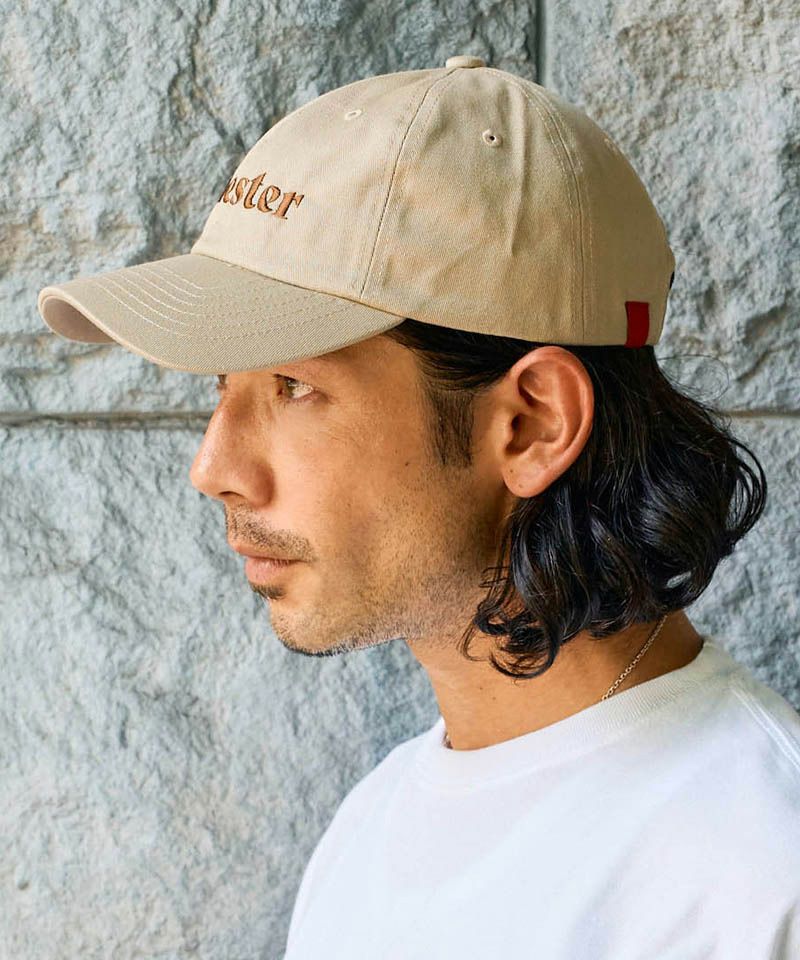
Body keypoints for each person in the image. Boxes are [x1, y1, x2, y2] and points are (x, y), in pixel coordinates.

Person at [37, 56, 800, 958]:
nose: (214, 467)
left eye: (293, 386)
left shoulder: (758, 876)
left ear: (533, 424)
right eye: (221, 386)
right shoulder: (370, 830)